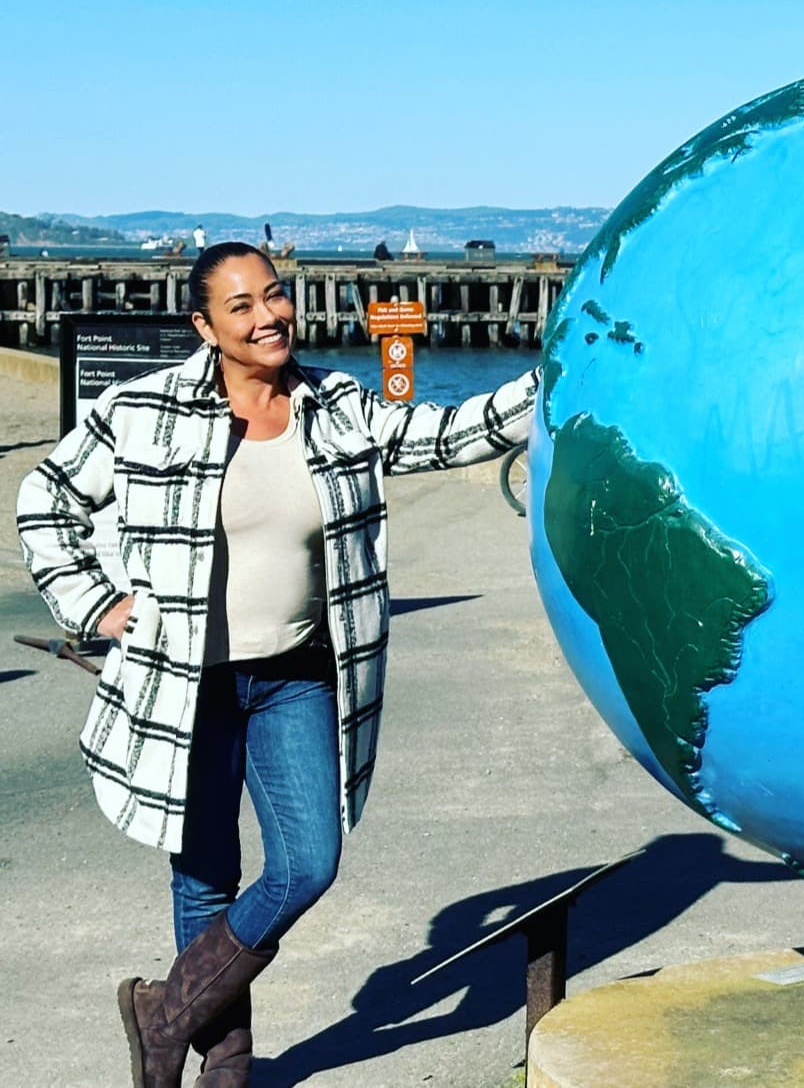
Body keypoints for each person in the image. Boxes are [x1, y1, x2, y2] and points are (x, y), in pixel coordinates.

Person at [16, 241, 539, 1085]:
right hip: (185, 685)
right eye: (241, 305)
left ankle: (164, 1014)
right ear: (204, 324)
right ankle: (225, 1064)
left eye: (276, 295)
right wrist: (96, 605)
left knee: (307, 862)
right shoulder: (143, 409)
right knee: (205, 877)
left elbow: (446, 434)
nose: (268, 317)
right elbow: (47, 497)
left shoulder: (335, 405)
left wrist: (549, 384)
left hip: (294, 675)